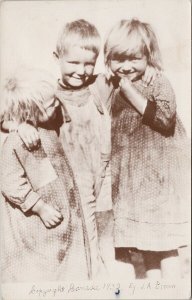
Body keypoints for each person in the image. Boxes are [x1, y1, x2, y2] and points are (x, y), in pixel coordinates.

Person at [1, 19, 157, 278]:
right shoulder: (46, 92)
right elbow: (10, 112)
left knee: (109, 235)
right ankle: (88, 283)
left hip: (104, 175)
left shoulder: (100, 86)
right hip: (73, 181)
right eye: (73, 62)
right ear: (57, 57)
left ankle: (115, 283)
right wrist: (19, 124)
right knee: (83, 236)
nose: (81, 70)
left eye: (88, 63)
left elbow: (128, 70)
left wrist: (149, 71)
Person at [104, 18, 190, 279]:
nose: (127, 66)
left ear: (149, 57)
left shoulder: (157, 81)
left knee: (164, 245)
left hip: (160, 178)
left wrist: (131, 92)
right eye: (119, 59)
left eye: (135, 59)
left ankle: (174, 293)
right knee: (144, 243)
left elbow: (165, 119)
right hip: (130, 180)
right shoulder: (109, 85)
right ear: (108, 59)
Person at [0, 67, 91, 282]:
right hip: (35, 223)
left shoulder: (46, 128)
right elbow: (10, 182)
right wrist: (40, 207)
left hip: (59, 222)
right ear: (29, 111)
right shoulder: (18, 140)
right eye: (52, 104)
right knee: (38, 271)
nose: (58, 105)